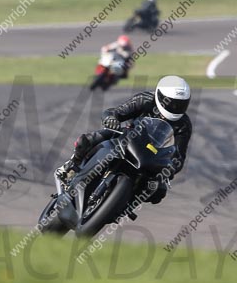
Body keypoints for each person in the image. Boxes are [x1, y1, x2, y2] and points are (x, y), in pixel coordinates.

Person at [56, 75, 192, 204]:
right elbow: (116, 112)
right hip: (128, 137)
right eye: (172, 103)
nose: (175, 107)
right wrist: (111, 119)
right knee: (90, 139)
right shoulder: (144, 100)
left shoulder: (184, 125)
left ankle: (124, 206)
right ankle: (73, 165)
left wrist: (171, 169)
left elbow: (179, 157)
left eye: (180, 104)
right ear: (160, 96)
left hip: (153, 156)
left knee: (158, 191)